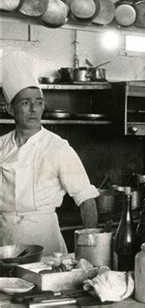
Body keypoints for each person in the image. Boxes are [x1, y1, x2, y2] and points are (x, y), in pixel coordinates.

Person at [0, 51, 99, 255]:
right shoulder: (1, 145)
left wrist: (91, 245)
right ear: (11, 109)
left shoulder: (58, 148)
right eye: (26, 103)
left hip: (45, 242)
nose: (34, 109)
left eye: (39, 102)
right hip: (5, 240)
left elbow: (86, 198)